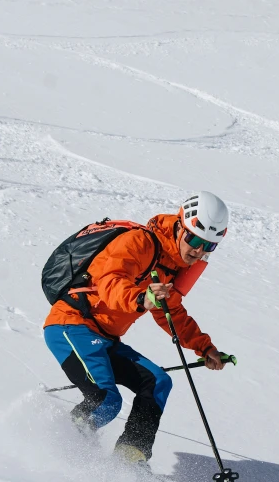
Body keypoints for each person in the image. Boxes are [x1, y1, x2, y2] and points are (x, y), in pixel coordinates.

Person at [43, 191, 229, 465]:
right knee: (106, 400)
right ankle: (60, 453)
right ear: (180, 226)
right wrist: (141, 298)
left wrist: (205, 348)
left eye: (208, 246)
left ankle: (129, 460)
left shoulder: (173, 268)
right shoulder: (139, 242)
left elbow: (172, 312)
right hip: (71, 324)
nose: (198, 251)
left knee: (157, 382)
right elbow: (111, 279)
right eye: (194, 239)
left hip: (105, 338)